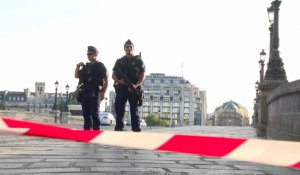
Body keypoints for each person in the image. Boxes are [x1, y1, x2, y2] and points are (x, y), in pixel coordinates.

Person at [112, 39, 145, 132]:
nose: (128, 48)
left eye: (130, 47)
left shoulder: (138, 60)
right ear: (124, 48)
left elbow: (143, 76)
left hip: (134, 88)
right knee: (119, 109)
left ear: (133, 48)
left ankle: (136, 128)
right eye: (127, 47)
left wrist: (135, 85)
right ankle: (119, 127)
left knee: (134, 109)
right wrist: (119, 81)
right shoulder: (119, 61)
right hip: (121, 88)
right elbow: (113, 75)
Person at [75, 46, 108, 130]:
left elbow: (106, 80)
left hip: (95, 92)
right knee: (86, 114)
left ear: (96, 54)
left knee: (94, 113)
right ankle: (87, 132)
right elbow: (76, 76)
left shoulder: (101, 66)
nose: (88, 56)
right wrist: (77, 67)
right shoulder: (86, 67)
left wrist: (103, 92)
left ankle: (96, 132)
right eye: (87, 54)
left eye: (90, 54)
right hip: (85, 92)